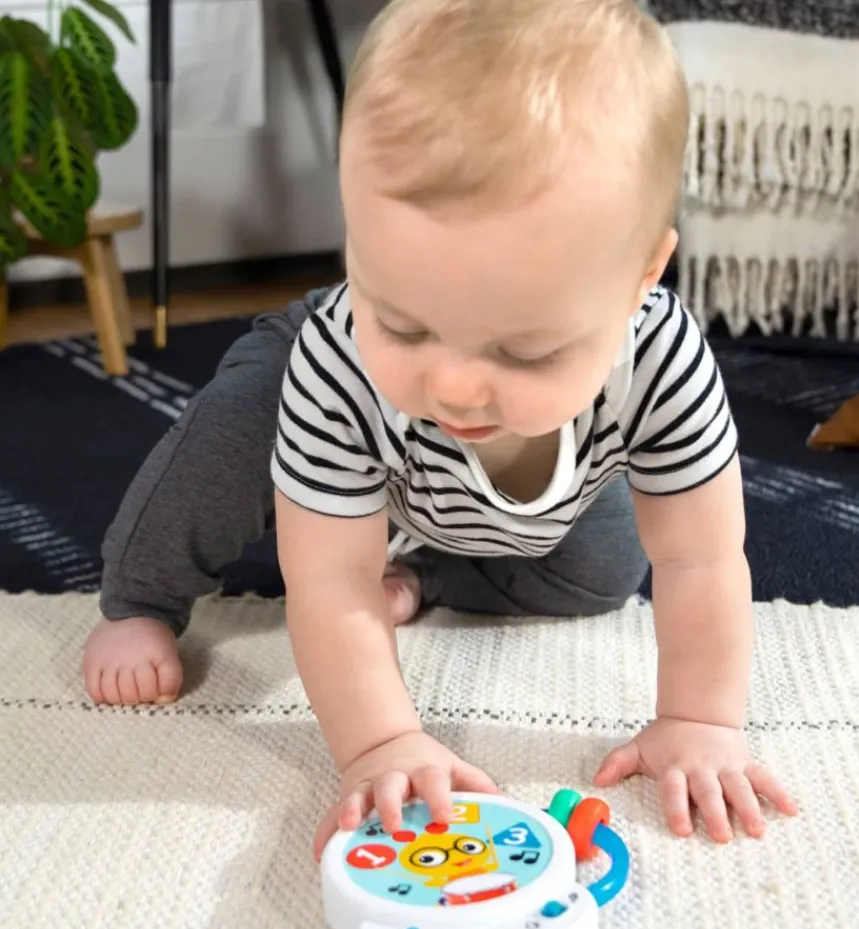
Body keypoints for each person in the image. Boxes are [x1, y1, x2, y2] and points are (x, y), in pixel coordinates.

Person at [82, 0, 797, 854]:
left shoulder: (664, 356)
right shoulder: (340, 359)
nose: (453, 383)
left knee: (608, 572)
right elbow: (333, 586)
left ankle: (428, 571)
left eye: (525, 350)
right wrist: (381, 743)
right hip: (348, 427)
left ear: (643, 277)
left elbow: (701, 555)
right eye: (409, 323)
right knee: (233, 428)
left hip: (527, 488)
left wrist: (698, 718)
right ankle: (141, 597)